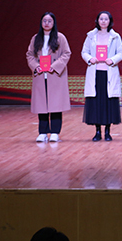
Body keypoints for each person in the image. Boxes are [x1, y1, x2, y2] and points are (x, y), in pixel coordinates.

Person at [26, 12, 71, 143]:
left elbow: (66, 53)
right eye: (44, 21)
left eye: (49, 21)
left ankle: (55, 132)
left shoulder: (60, 37)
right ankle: (43, 132)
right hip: (41, 75)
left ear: (53, 23)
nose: (46, 23)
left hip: (55, 75)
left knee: (56, 105)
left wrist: (55, 66)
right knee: (42, 105)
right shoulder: (36, 38)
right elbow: (29, 55)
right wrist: (36, 67)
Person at [81, 11, 122, 142]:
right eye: (101, 19)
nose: (103, 21)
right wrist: (90, 58)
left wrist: (113, 59)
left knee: (108, 103)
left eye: (106, 19)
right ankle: (97, 131)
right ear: (97, 21)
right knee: (96, 103)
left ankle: (107, 132)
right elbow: (84, 51)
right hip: (95, 73)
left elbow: (121, 52)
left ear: (110, 21)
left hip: (109, 73)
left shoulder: (115, 36)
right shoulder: (91, 36)